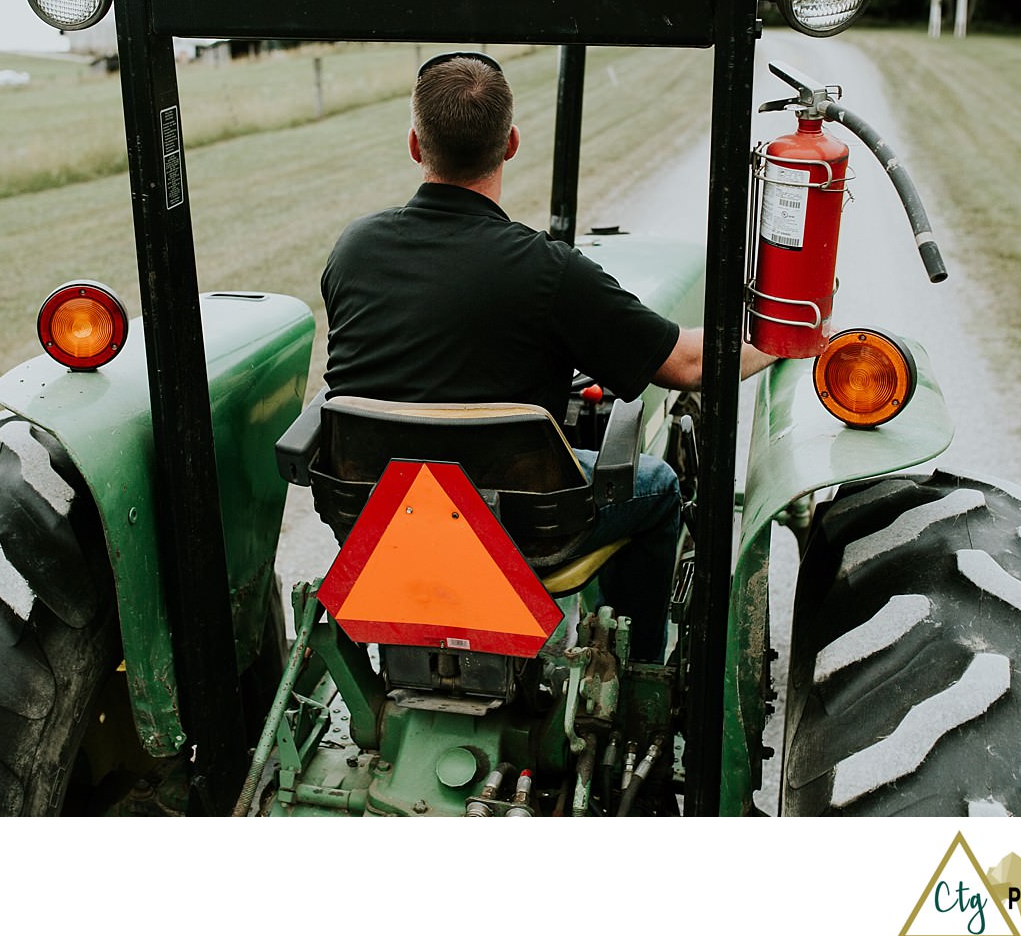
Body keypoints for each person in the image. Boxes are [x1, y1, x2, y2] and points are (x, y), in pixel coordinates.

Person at [320, 51, 775, 661]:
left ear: (413, 144)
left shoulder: (352, 249)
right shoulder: (549, 271)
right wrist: (785, 336)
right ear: (509, 144)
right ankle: (639, 672)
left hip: (378, 517)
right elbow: (690, 365)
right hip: (516, 523)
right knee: (660, 486)